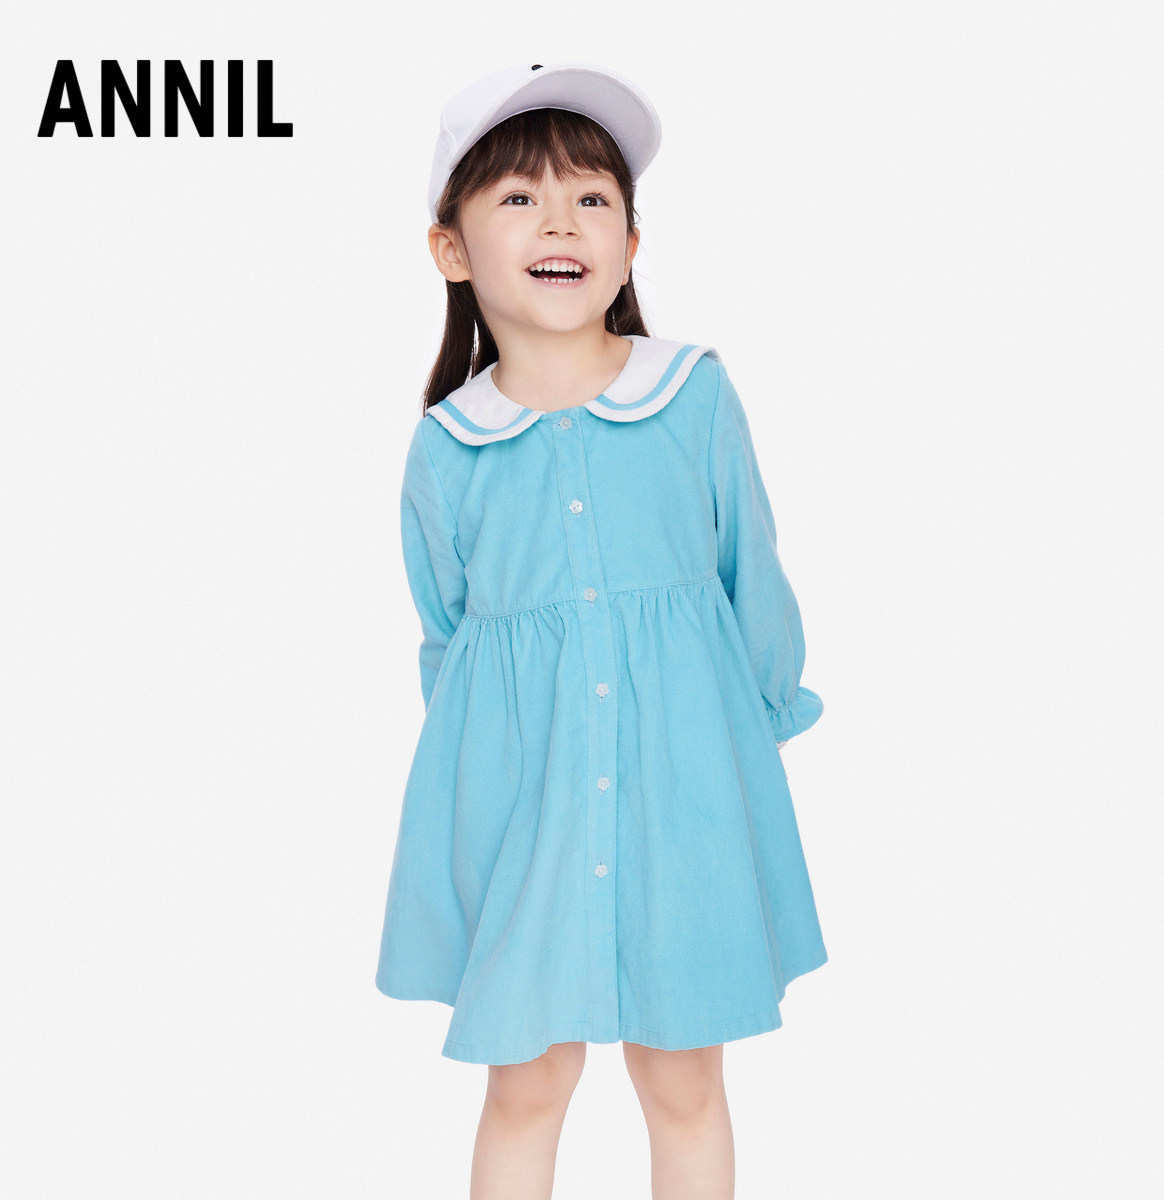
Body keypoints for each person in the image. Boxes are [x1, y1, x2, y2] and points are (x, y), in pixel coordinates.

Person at [376, 61, 828, 1200]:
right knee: (527, 1082)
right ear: (452, 249)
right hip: (524, 809)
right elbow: (448, 639)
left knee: (682, 1078)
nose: (560, 220)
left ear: (629, 245)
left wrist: (760, 722)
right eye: (519, 197)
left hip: (688, 795)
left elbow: (751, 573)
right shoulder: (448, 448)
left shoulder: (692, 397)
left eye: (590, 196)